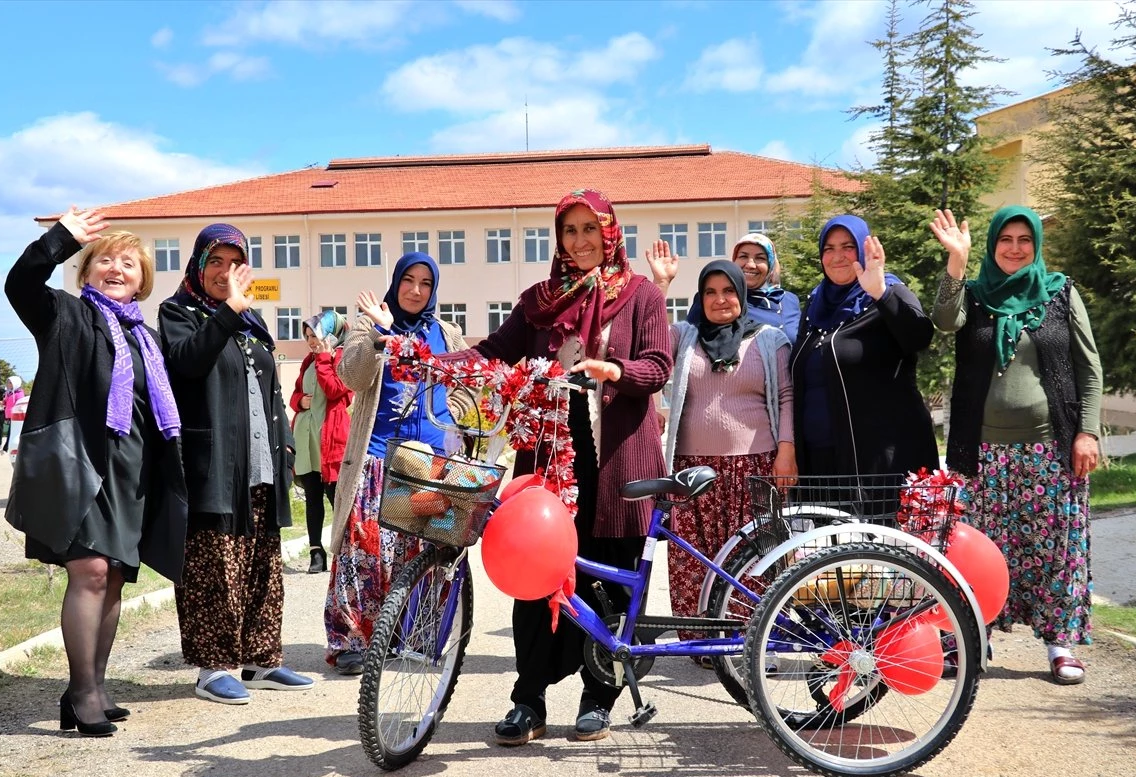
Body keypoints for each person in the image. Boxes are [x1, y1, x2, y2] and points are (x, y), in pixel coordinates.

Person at [447, 188, 671, 745]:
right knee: (535, 576)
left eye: (589, 229)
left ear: (609, 231)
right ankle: (529, 700)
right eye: (569, 231)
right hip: (548, 460)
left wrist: (614, 371)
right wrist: (425, 359)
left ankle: (599, 697)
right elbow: (493, 351)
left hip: (617, 459)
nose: (580, 241)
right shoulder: (538, 302)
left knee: (609, 581)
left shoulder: (640, 296)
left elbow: (658, 364)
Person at [4, 207, 186, 736]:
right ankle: (81, 691)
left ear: (142, 280)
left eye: (129, 263)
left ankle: (94, 685)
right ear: (85, 273)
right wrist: (60, 240)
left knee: (114, 582)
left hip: (131, 471)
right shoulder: (66, 316)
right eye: (105, 259)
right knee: (89, 573)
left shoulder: (144, 338)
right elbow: (20, 284)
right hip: (82, 464)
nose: (117, 268)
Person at [930, 206, 1103, 685]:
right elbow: (944, 322)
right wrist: (957, 263)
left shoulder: (1061, 293)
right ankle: (974, 635)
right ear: (991, 245)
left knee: (1056, 549)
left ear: (1037, 244)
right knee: (979, 549)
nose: (1014, 247)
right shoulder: (974, 295)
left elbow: (1089, 369)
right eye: (1005, 238)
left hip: (1051, 449)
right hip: (981, 451)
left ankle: (1059, 643)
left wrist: (1087, 431)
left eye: (1024, 238)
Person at [159, 222, 313, 704]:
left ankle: (260, 659)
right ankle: (213, 667)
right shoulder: (178, 312)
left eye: (235, 264)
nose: (226, 273)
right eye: (216, 263)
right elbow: (187, 362)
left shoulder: (252, 323)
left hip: (261, 463)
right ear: (199, 267)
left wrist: (286, 448)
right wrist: (228, 311)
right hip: (214, 464)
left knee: (262, 562)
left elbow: (271, 388)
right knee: (215, 565)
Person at [324, 252, 470, 676]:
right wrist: (379, 335)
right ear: (396, 281)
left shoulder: (446, 332)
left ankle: (416, 634)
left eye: (426, 282)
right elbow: (352, 378)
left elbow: (466, 383)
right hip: (376, 461)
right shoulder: (368, 325)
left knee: (423, 550)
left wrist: (457, 417)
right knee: (364, 549)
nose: (416, 290)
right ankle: (352, 639)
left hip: (432, 464)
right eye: (409, 280)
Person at [664, 259, 795, 662]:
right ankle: (702, 643)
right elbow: (645, 341)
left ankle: (753, 642)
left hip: (754, 467)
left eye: (728, 291)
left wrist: (787, 449)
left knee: (756, 559)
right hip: (692, 470)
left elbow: (787, 397)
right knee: (693, 557)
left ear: (742, 295)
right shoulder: (684, 336)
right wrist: (660, 285)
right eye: (710, 292)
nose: (720, 300)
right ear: (700, 298)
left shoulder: (769, 339)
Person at [790, 214, 938, 485]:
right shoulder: (814, 304)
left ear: (863, 248)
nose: (838, 256)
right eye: (829, 248)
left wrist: (880, 292)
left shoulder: (889, 290)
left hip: (879, 463)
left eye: (848, 246)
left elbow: (920, 337)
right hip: (821, 463)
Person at [649, 233, 801, 344]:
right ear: (733, 262)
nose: (750, 264)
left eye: (760, 258)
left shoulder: (788, 300)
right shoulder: (717, 300)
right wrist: (662, 283)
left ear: (771, 266)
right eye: (743, 256)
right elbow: (677, 340)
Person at [290, 310, 353, 575]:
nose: (311, 342)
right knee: (312, 497)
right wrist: (299, 402)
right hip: (307, 438)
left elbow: (337, 391)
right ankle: (316, 553)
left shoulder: (344, 359)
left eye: (314, 335)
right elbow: (295, 393)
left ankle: (346, 552)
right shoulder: (308, 361)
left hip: (330, 440)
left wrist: (326, 359)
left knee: (335, 498)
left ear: (330, 334)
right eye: (307, 337)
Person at [1, 375, 25, 453]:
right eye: (8, 382)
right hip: (11, 415)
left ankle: (5, 448)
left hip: (17, 416)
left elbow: (20, 403)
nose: (8, 384)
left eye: (10, 383)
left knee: (11, 432)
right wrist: (3, 403)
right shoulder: (8, 393)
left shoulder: (19, 393)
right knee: (12, 432)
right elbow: (6, 402)